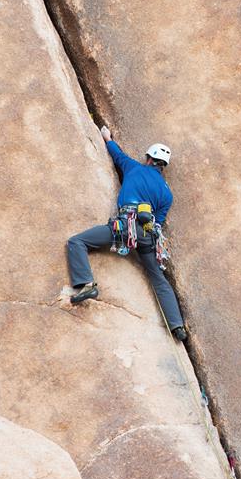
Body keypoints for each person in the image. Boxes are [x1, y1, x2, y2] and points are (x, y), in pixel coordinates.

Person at [66, 125, 187, 341]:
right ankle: (177, 326)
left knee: (77, 242)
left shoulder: (134, 168)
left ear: (149, 159)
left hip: (125, 227)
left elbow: (117, 155)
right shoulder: (167, 194)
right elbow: (158, 222)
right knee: (157, 277)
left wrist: (107, 137)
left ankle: (86, 283)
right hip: (148, 236)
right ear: (163, 167)